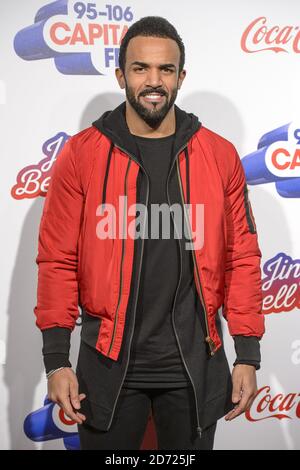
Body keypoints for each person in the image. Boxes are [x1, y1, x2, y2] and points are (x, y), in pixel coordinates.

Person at [34, 16, 265, 450]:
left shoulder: (218, 155)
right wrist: (55, 361)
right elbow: (57, 259)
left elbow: (242, 257)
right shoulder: (81, 154)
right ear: (121, 74)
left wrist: (248, 354)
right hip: (106, 367)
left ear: (181, 77)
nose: (153, 81)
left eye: (165, 70)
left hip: (196, 366)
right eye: (140, 68)